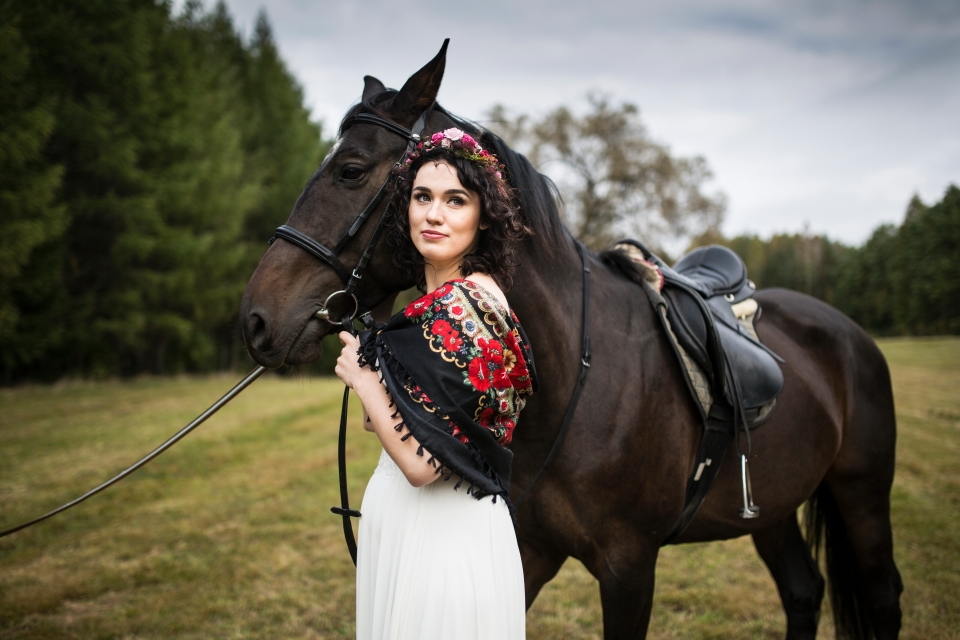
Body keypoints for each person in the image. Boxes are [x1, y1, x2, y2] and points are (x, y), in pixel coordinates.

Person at [334, 127, 537, 640]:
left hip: (441, 539)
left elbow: (422, 466)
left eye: (456, 200)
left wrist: (362, 377)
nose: (434, 214)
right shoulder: (441, 305)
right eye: (422, 197)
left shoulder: (461, 308)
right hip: (416, 527)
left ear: (484, 215)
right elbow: (393, 422)